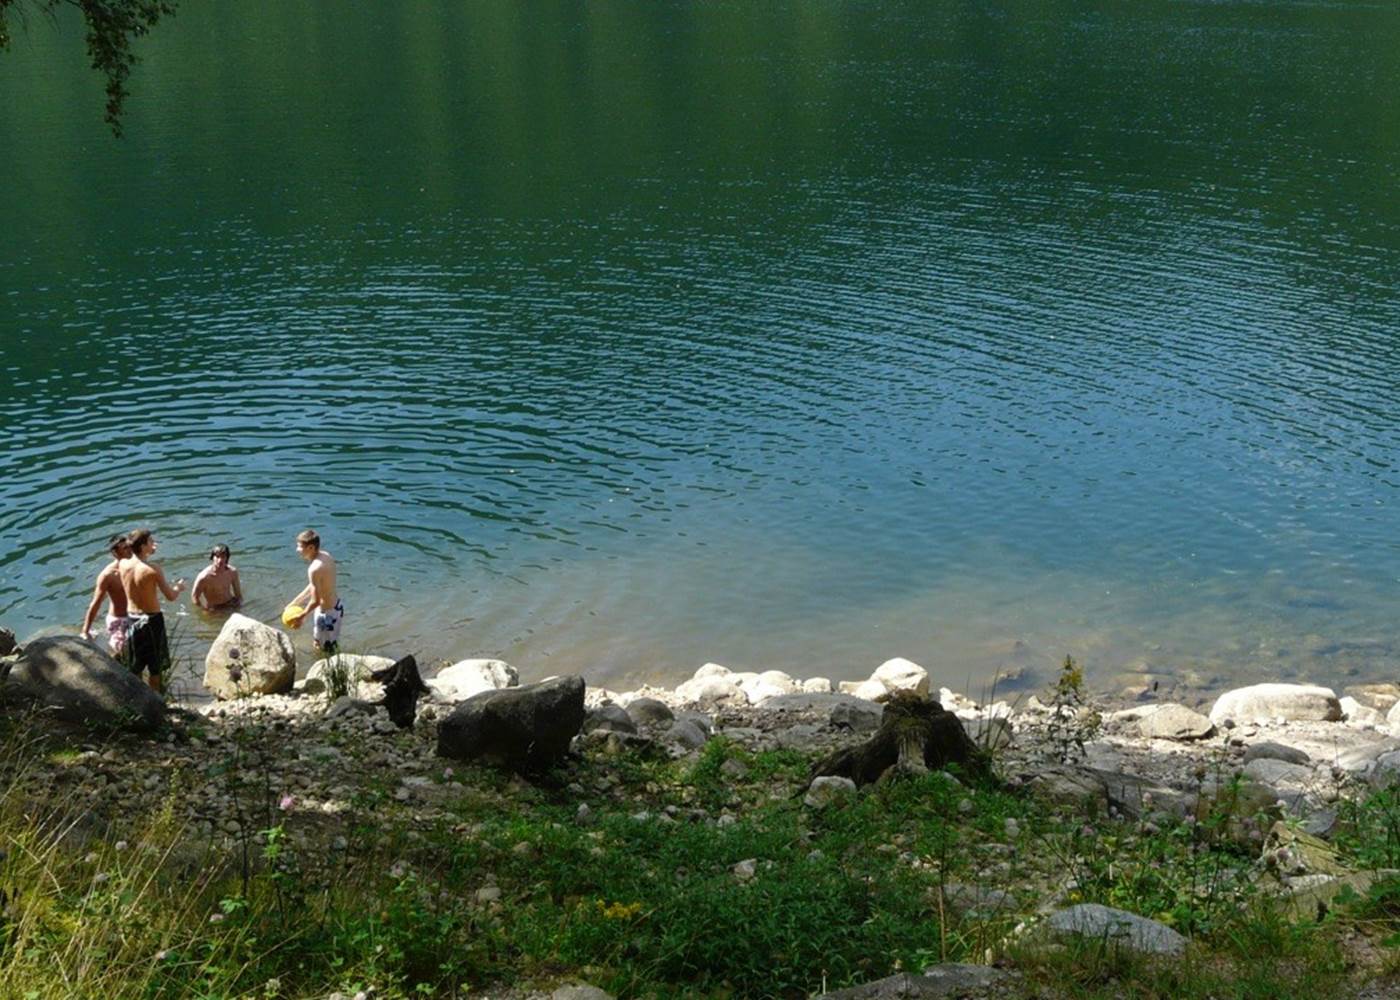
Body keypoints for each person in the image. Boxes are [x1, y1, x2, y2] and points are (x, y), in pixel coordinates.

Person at [118, 528, 186, 692]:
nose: (154, 543)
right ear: (142, 546)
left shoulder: (122, 564)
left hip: (132, 619)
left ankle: (137, 698)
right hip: (152, 621)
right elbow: (170, 596)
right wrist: (178, 587)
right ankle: (156, 700)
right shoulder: (152, 569)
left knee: (136, 666)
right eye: (150, 542)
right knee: (156, 668)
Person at [287, 529, 342, 656]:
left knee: (321, 647)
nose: (297, 550)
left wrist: (301, 617)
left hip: (326, 614)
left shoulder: (313, 569)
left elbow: (315, 601)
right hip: (337, 607)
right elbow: (314, 585)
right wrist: (295, 602)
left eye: (300, 546)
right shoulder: (325, 556)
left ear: (311, 547)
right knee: (332, 643)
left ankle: (325, 669)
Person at [80, 533, 133, 659]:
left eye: (129, 546)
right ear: (115, 553)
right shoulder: (107, 575)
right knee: (123, 653)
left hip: (135, 614)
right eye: (125, 548)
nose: (130, 550)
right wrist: (85, 631)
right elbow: (96, 602)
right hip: (119, 619)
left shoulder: (135, 566)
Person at [192, 543, 242, 610]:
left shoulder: (232, 572)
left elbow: (238, 595)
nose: (220, 560)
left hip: (230, 603)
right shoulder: (204, 577)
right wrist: (204, 610)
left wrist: (239, 607)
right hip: (213, 608)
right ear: (212, 557)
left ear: (227, 558)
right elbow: (194, 597)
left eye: (223, 557)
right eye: (217, 556)